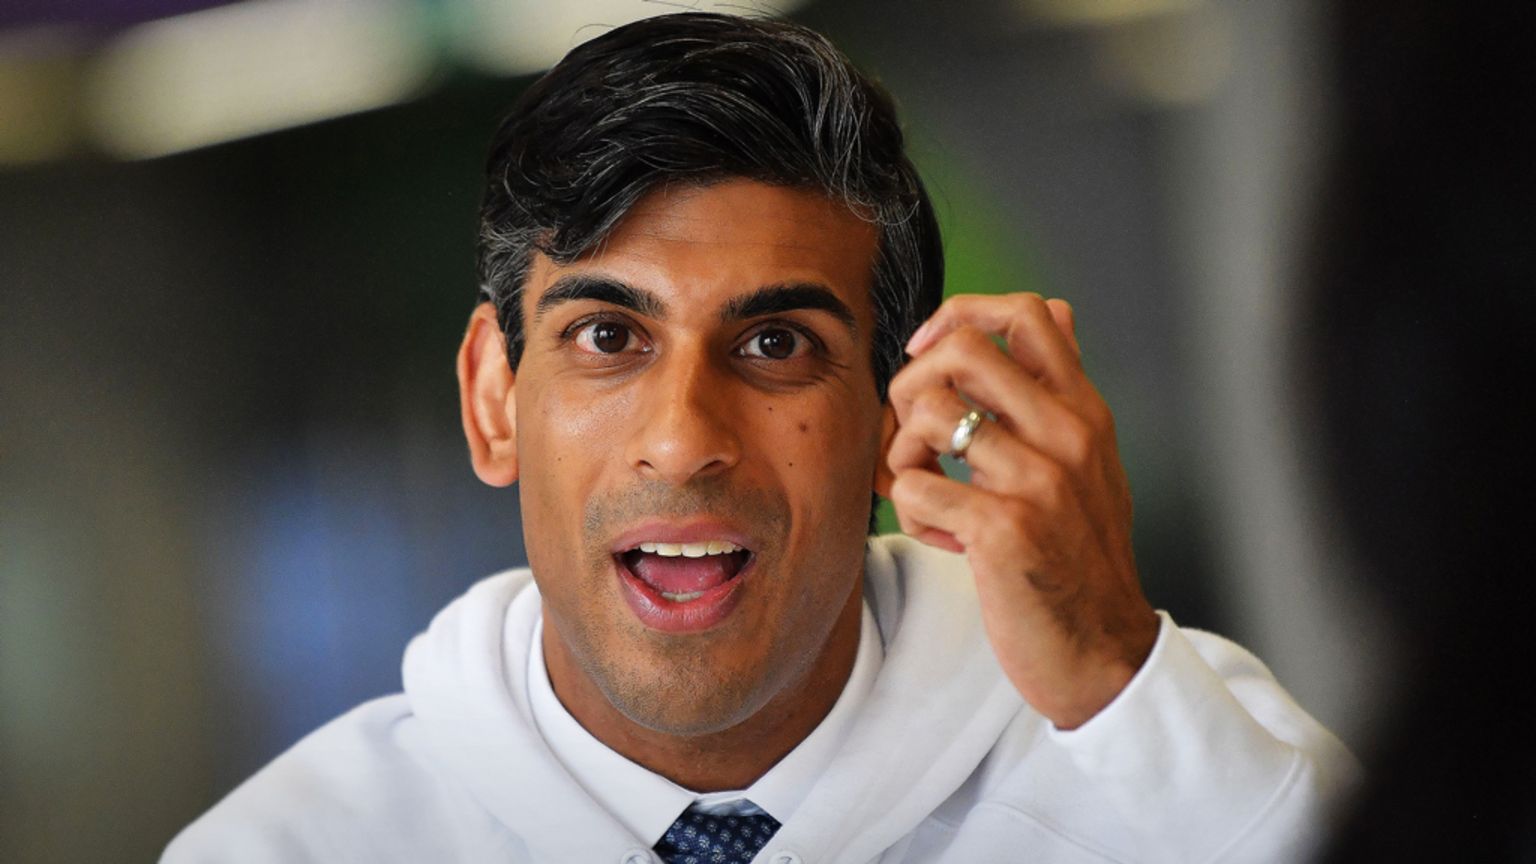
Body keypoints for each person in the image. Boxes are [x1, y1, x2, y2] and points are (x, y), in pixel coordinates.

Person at [164, 12, 1355, 863]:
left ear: (895, 414)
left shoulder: (1194, 770)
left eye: (776, 344)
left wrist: (1114, 680)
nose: (684, 441)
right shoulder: (290, 848)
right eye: (607, 337)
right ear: (491, 398)